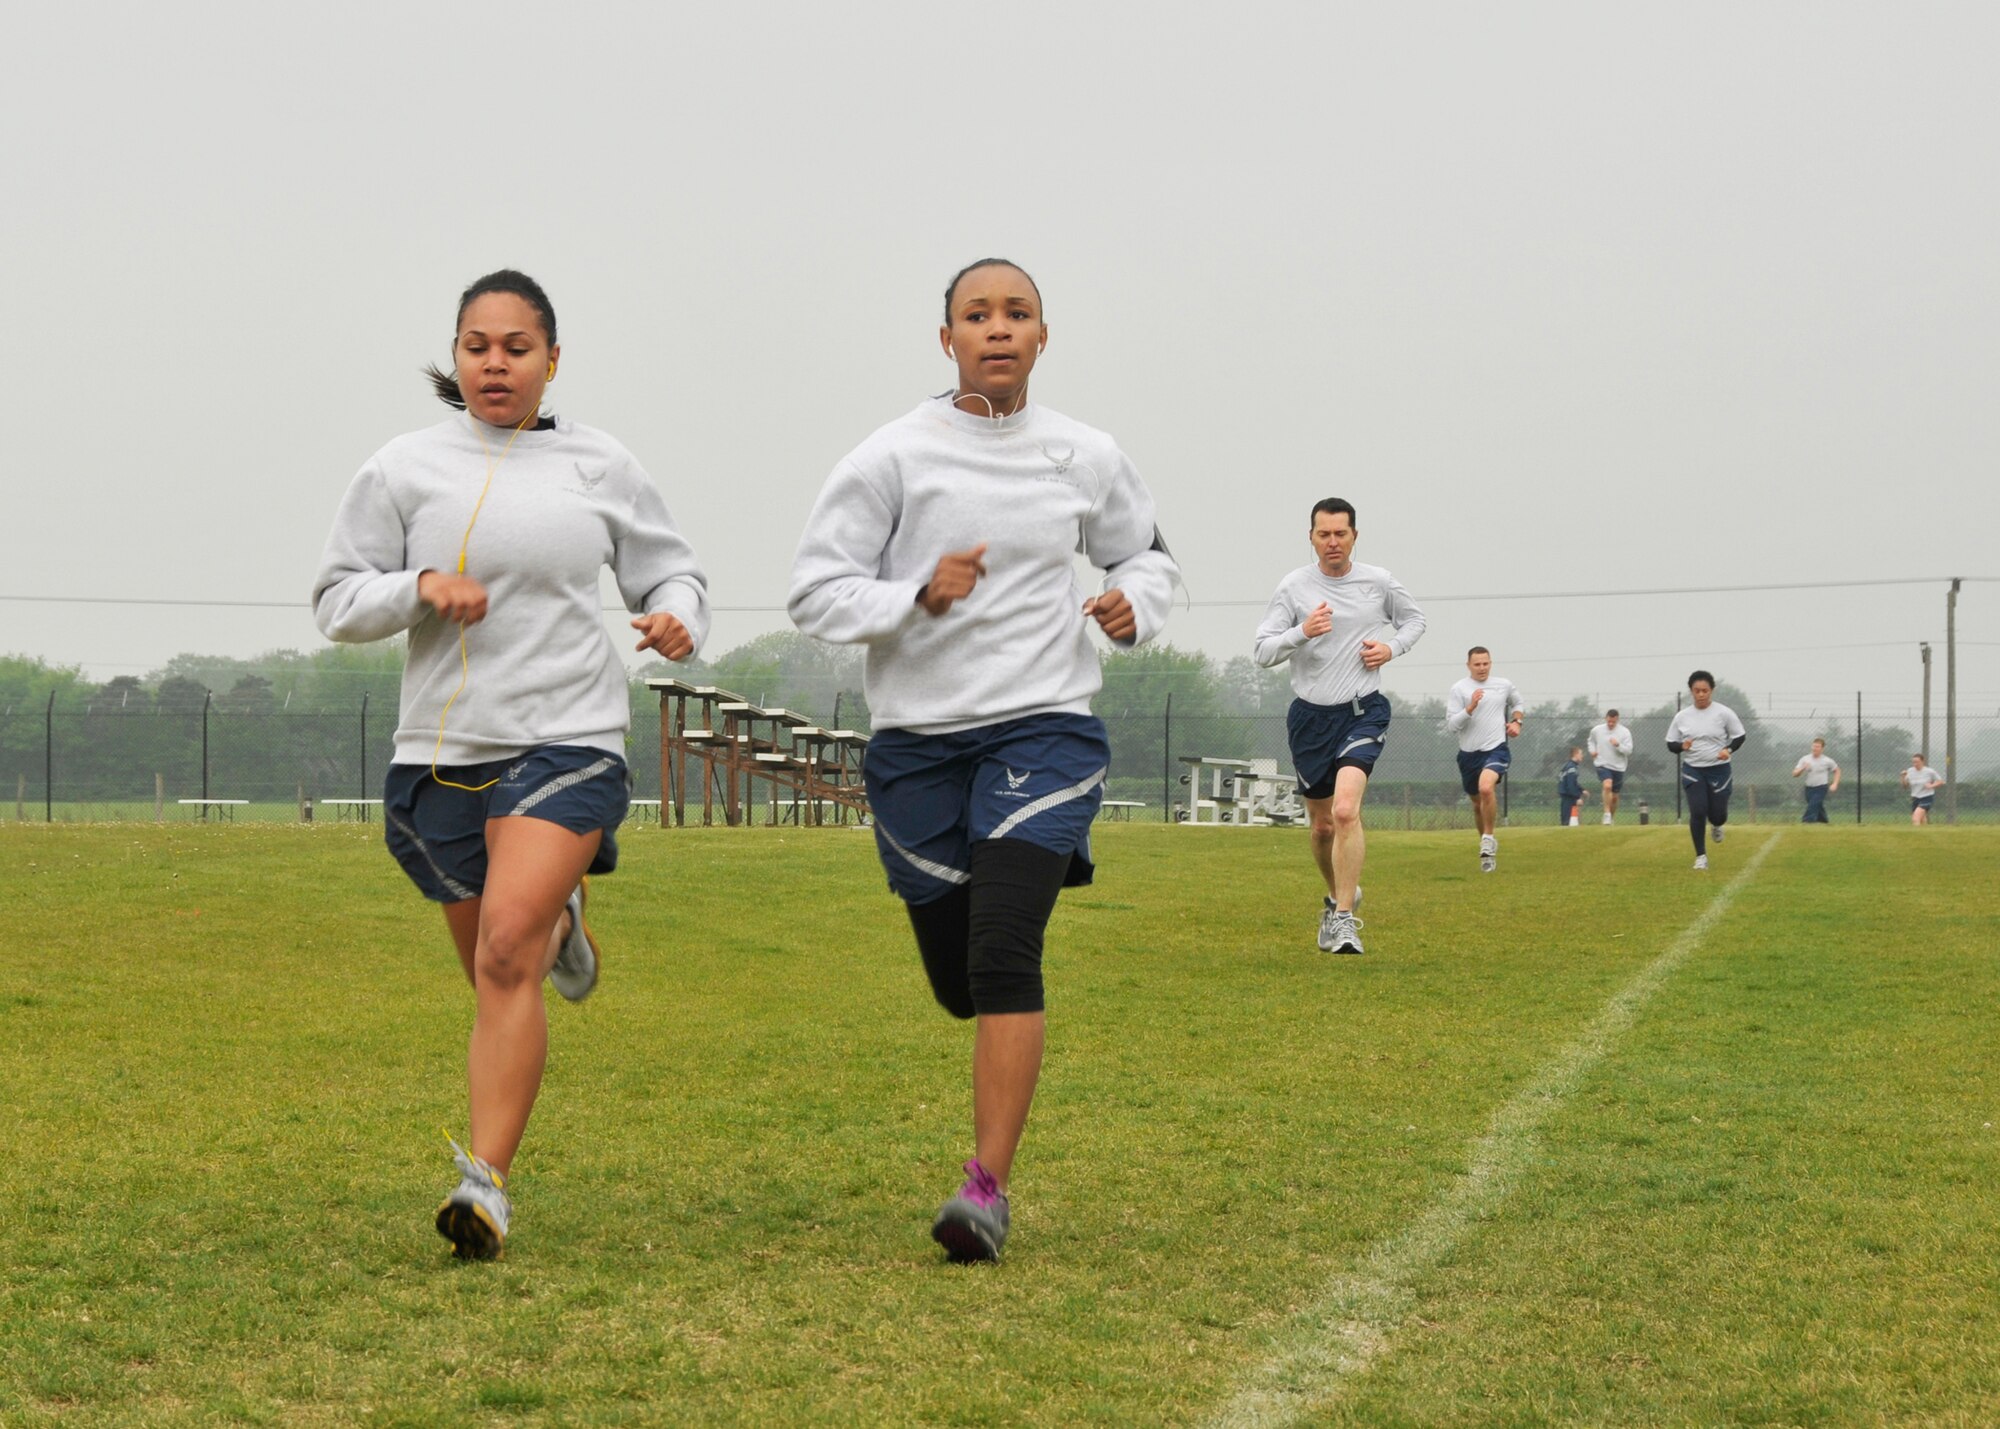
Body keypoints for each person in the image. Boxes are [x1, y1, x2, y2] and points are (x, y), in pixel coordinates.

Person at [788, 258, 1179, 1264]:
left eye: (1016, 314)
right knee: (959, 982)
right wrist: (916, 592)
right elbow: (816, 592)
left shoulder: (1082, 455)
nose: (996, 329)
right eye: (976, 314)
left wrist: (1137, 602)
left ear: (1042, 336)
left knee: (1005, 951)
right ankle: (983, 1094)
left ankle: (984, 1191)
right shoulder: (890, 458)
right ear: (946, 338)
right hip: (918, 748)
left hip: (1042, 727)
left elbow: (1145, 553)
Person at [313, 269, 709, 1260]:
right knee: (498, 969)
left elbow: (673, 568)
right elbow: (334, 599)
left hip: (570, 736)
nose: (496, 363)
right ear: (456, 357)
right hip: (440, 758)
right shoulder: (403, 468)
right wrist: (420, 587)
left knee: (503, 949)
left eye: (516, 347)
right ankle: (559, 917)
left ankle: (483, 1184)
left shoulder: (599, 465)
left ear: (551, 361)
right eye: (478, 345)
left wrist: (677, 617)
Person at [1254, 499, 1427, 953]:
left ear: (1355, 536)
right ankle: (1336, 899)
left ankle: (1346, 920)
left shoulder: (1378, 581)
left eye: (1341, 534)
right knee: (1322, 827)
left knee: (1346, 811)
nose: (1333, 542)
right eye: (1323, 534)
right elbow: (1262, 651)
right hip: (1310, 719)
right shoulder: (1294, 587)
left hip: (1362, 711)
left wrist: (1391, 649)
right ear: (1310, 537)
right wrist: (1302, 632)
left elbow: (1414, 620)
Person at [1444, 647, 1523, 871]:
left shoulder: (1503, 685)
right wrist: (1470, 708)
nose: (1482, 668)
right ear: (1468, 665)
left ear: (1491, 663)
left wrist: (1517, 722)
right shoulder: (1459, 689)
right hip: (1468, 754)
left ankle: (1489, 836)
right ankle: (1486, 848)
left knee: (1486, 788)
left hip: (1496, 748)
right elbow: (1451, 725)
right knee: (1477, 803)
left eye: (1486, 663)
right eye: (1477, 664)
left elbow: (1518, 704)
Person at [1663, 670, 1746, 870]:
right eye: (1697, 691)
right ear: (1691, 691)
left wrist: (1728, 749)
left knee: (1718, 815)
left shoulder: (1724, 713)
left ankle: (1717, 825)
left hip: (1719, 770)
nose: (1701, 695)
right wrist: (1682, 747)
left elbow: (1740, 736)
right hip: (1693, 769)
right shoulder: (1682, 716)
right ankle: (1701, 856)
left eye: (1705, 691)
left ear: (1712, 690)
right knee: (1698, 811)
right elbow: (1671, 743)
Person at [1587, 709, 1634, 824]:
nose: (1610, 724)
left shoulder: (1625, 732)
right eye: (1609, 721)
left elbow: (1629, 750)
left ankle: (1611, 818)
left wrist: (1618, 745)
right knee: (1607, 785)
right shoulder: (1597, 730)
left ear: (1617, 720)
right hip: (1602, 764)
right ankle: (1606, 814)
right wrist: (1592, 751)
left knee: (1615, 797)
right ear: (1606, 718)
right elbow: (1591, 741)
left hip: (1619, 767)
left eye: (1613, 722)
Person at [1791, 737, 1841, 823]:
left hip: (1821, 788)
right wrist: (1802, 768)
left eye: (1817, 747)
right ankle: (1824, 821)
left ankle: (1807, 821)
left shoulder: (1827, 760)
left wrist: (1835, 783)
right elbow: (1795, 774)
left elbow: (1837, 770)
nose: (1815, 748)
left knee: (1813, 804)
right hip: (1809, 788)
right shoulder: (1805, 759)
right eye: (1814, 746)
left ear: (1822, 748)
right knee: (1817, 805)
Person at [1901, 752, 1943, 825]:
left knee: (1915, 817)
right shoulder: (1910, 771)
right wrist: (1903, 777)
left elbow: (1941, 781)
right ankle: (1925, 833)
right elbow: (1905, 786)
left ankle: (1915, 834)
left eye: (1917, 762)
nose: (1915, 764)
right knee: (1922, 819)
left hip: (1926, 797)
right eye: (1913, 762)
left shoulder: (1929, 771)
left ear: (1922, 761)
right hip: (1915, 798)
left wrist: (1931, 786)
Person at [1558, 746, 1589, 826]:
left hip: (1566, 797)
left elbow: (1573, 783)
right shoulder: (1571, 768)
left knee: (1567, 820)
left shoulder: (1569, 766)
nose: (1582, 756)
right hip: (1568, 798)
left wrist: (1582, 790)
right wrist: (1577, 798)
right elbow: (1570, 785)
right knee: (1567, 822)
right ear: (1575, 754)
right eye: (1581, 754)